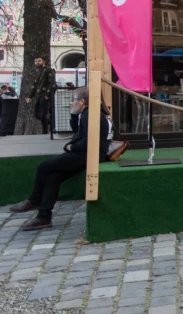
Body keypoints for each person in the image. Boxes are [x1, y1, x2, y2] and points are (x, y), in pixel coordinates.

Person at [8, 88, 110, 231]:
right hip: (84, 154)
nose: (72, 102)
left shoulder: (91, 115)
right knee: (53, 179)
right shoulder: (87, 114)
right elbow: (78, 132)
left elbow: (89, 141)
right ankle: (44, 217)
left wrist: (71, 148)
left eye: (74, 99)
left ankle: (34, 200)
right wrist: (74, 116)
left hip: (85, 156)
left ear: (82, 101)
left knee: (43, 166)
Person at [25, 56, 56, 133]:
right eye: (36, 61)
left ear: (43, 61)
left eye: (39, 61)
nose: (37, 62)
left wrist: (47, 94)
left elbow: (51, 83)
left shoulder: (48, 70)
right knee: (37, 114)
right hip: (38, 95)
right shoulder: (38, 71)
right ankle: (52, 124)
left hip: (44, 94)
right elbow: (34, 85)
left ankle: (45, 131)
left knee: (43, 113)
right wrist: (29, 96)